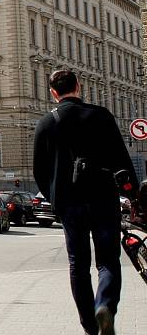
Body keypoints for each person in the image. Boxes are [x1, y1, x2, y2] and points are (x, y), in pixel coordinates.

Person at [34, 70, 137, 335]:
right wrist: (133, 196)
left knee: (78, 266)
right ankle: (104, 306)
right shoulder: (101, 116)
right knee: (108, 262)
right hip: (103, 198)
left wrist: (55, 201)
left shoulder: (47, 123)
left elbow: (40, 171)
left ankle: (90, 326)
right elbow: (121, 160)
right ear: (79, 87)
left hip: (70, 204)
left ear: (53, 93)